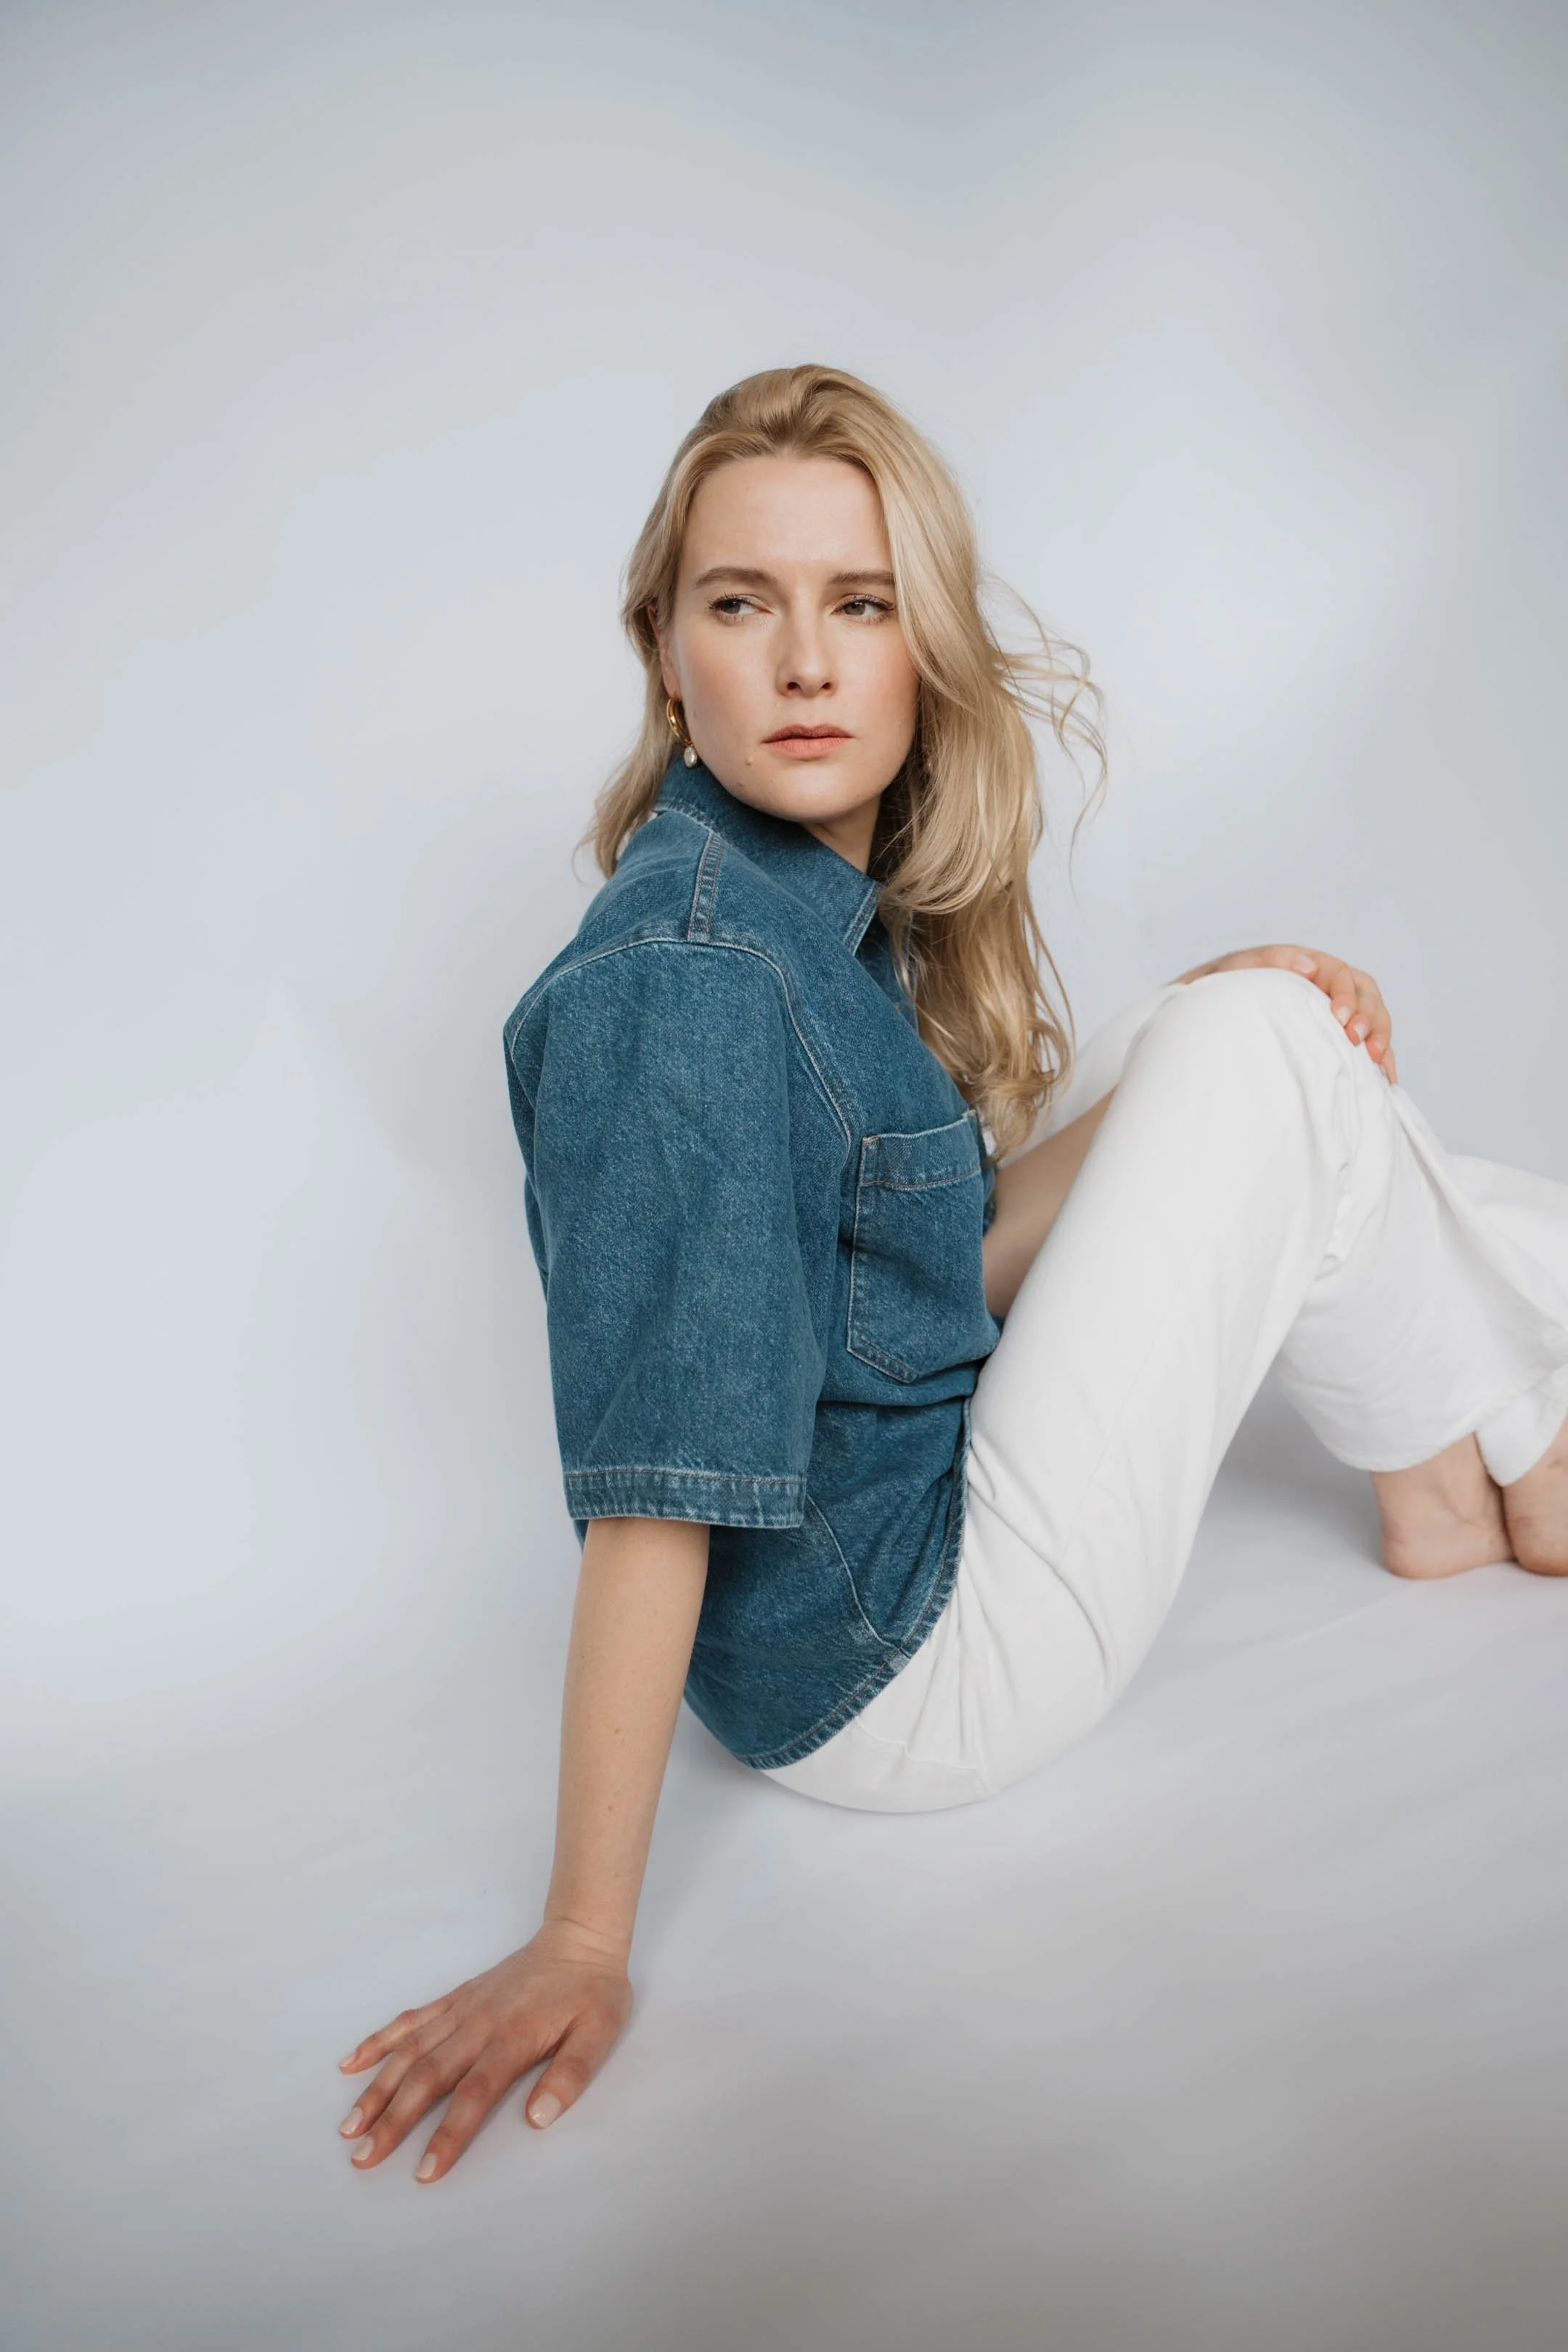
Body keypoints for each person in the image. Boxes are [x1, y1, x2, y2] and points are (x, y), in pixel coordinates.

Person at [335, 364, 1568, 2183]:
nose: (808, 662)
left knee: (1226, 1036)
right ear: (664, 648)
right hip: (911, 1671)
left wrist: (1208, 1065)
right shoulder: (691, 977)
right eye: (742, 604)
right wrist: (585, 1939)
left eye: (862, 602)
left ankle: (1457, 1481)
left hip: (884, 1569)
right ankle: (1515, 1462)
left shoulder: (781, 905)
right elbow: (660, 1486)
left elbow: (908, 1275)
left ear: (924, 648)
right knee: (1257, 1057)